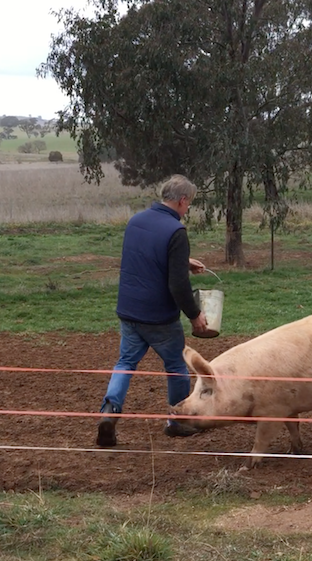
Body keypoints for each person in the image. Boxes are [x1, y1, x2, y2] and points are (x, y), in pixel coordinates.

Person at [96, 174, 209, 447]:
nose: (188, 208)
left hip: (129, 311)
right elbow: (178, 285)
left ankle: (109, 412)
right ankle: (176, 422)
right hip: (159, 317)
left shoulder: (136, 222)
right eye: (189, 203)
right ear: (182, 200)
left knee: (125, 363)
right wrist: (195, 315)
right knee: (176, 367)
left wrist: (182, 261)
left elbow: (148, 257)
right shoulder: (176, 232)